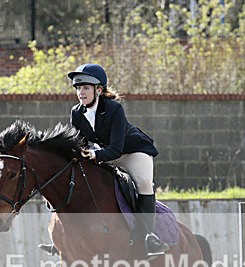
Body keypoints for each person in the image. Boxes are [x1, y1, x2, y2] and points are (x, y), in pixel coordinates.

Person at [67, 63, 169, 257]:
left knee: (144, 183)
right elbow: (78, 142)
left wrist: (95, 155)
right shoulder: (76, 113)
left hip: (132, 152)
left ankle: (149, 237)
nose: (81, 92)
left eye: (86, 87)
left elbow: (116, 149)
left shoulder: (114, 109)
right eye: (78, 88)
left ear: (99, 89)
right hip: (104, 153)